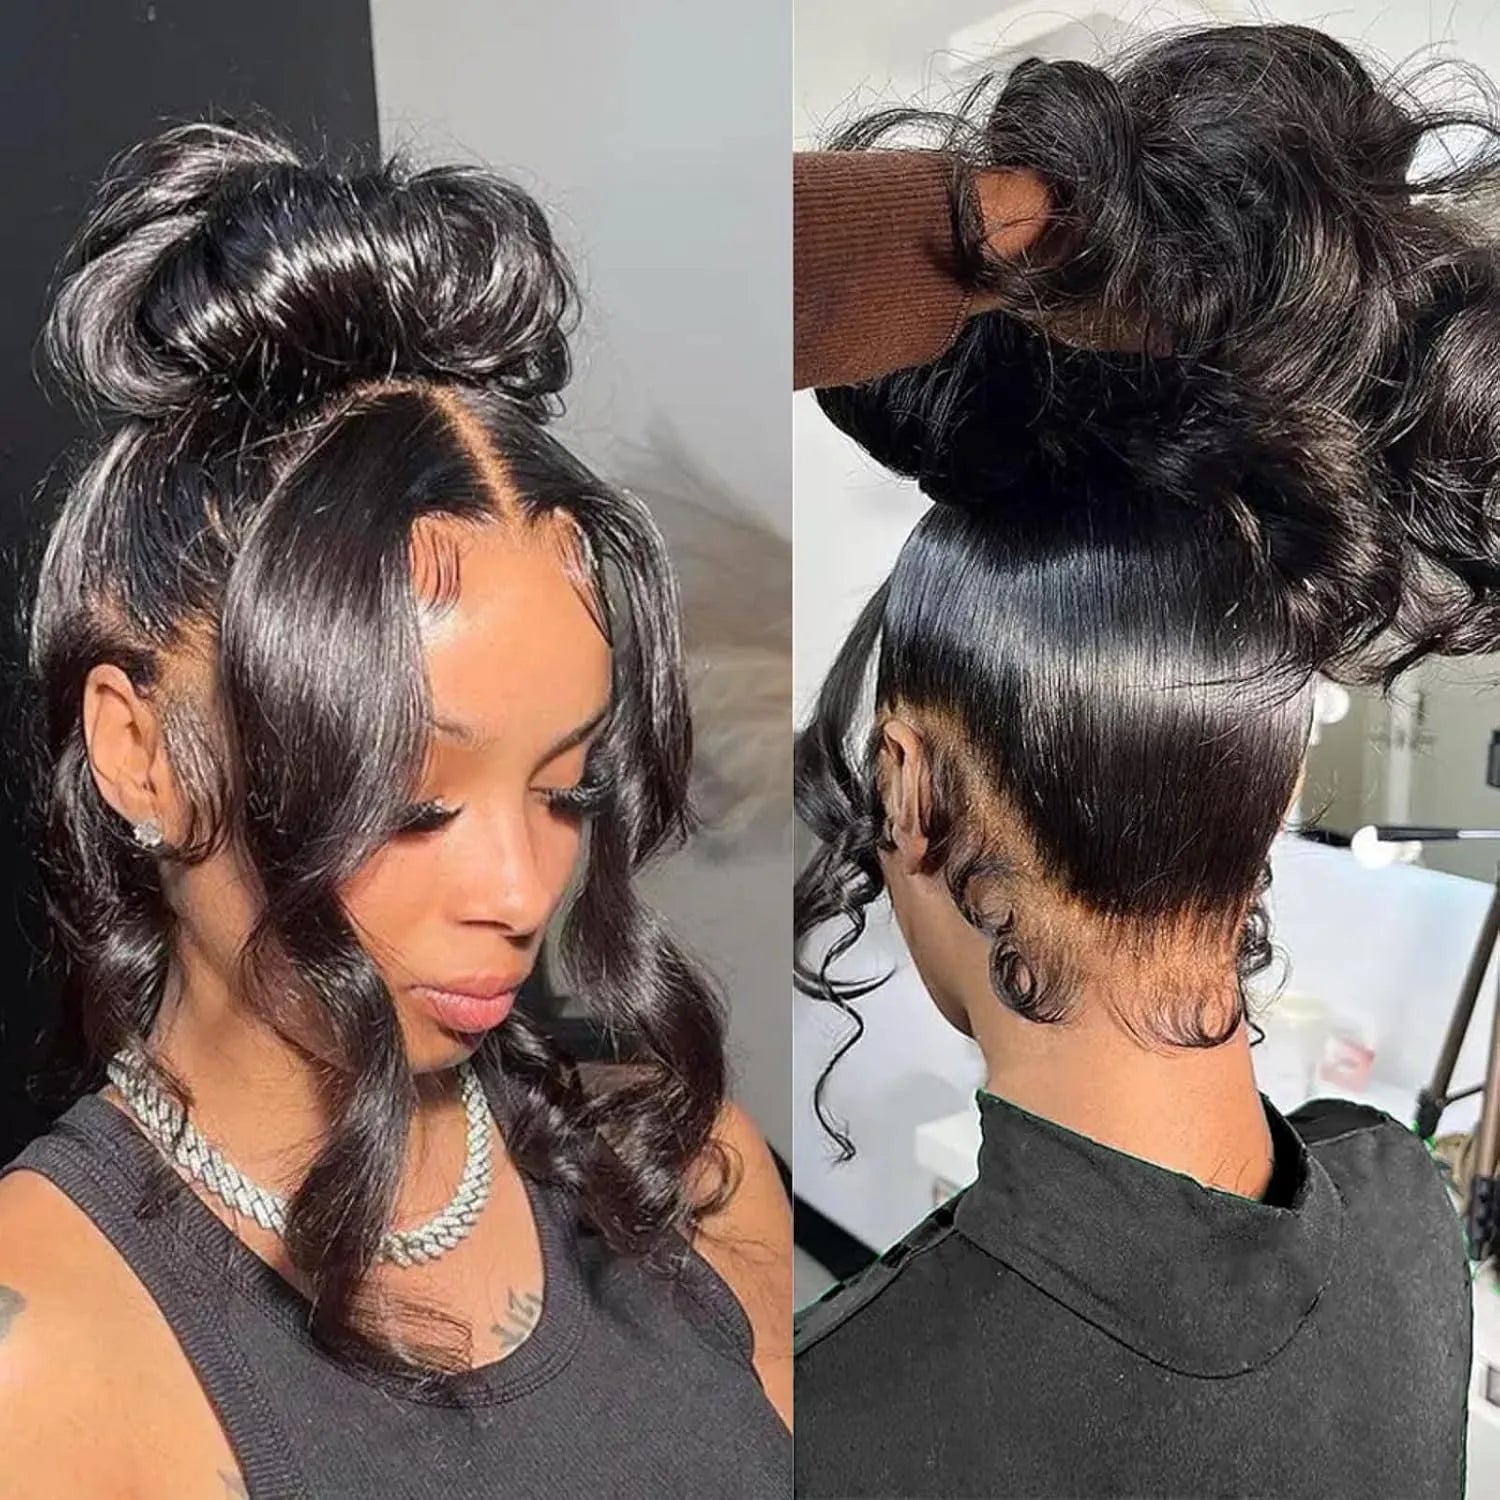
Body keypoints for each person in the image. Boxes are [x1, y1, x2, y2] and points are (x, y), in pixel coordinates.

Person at [0, 121, 791, 1498]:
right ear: (139, 752)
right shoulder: (49, 1356)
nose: (521, 891)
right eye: (413, 802)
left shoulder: (687, 1167)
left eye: (565, 787)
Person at [792, 23, 1486, 1498]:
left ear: (911, 789)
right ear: (1279, 782)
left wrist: (1014, 223)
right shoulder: (1405, 1216)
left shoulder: (839, 1426)